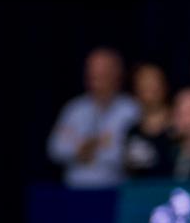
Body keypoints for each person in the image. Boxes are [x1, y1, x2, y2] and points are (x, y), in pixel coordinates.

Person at [47, 48, 140, 188]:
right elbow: (56, 149)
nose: (97, 79)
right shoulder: (74, 109)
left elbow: (133, 155)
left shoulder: (131, 109)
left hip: (115, 192)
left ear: (117, 74)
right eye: (93, 73)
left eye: (104, 73)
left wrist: (92, 151)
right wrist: (81, 150)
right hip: (75, 191)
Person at [122, 62, 173, 177]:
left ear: (164, 86)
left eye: (154, 82)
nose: (149, 88)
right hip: (140, 192)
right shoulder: (132, 132)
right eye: (144, 83)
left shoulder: (177, 128)